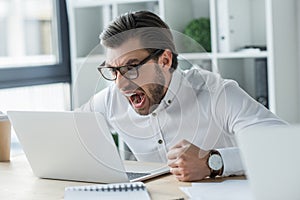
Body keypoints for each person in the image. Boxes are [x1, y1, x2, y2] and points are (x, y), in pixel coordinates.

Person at [78, 10, 286, 181]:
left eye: (132, 67)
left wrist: (213, 162)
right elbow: (70, 133)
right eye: (113, 71)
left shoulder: (216, 94)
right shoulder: (109, 100)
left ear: (165, 61)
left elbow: (284, 147)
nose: (120, 84)